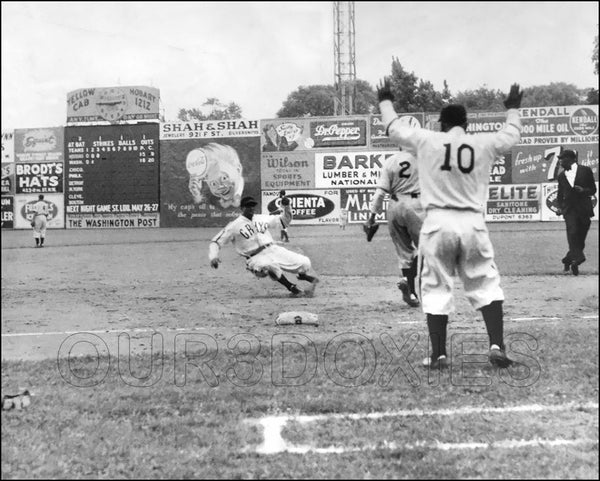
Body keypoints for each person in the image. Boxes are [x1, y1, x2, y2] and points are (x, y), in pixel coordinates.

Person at [377, 78, 524, 369]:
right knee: (485, 282)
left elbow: (393, 128)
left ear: (442, 124)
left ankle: (439, 354)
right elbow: (510, 135)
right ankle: (496, 344)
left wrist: (385, 100)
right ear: (466, 125)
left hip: (437, 223)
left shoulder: (428, 140)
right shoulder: (482, 144)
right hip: (472, 222)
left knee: (435, 287)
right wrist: (513, 110)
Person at [208, 195, 319, 296]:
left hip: (272, 249)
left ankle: (302, 276)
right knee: (268, 265)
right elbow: (216, 242)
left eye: (253, 206)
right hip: (255, 258)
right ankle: (292, 287)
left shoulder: (261, 218)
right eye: (248, 206)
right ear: (241, 208)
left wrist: (286, 207)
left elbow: (284, 221)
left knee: (305, 262)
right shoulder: (234, 226)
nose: (251, 208)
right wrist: (213, 256)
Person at [364, 149, 424, 307]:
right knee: (426, 249)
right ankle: (423, 289)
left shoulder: (390, 161)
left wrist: (371, 217)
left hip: (394, 205)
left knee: (404, 252)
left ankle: (409, 288)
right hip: (417, 204)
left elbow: (380, 192)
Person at [555, 149, 597, 276]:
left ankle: (568, 259)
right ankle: (578, 259)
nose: (560, 161)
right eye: (560, 159)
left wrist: (583, 190)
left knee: (580, 240)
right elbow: (560, 194)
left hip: (584, 209)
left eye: (563, 159)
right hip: (569, 210)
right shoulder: (561, 176)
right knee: (572, 232)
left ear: (572, 159)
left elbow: (593, 190)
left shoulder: (585, 170)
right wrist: (559, 207)